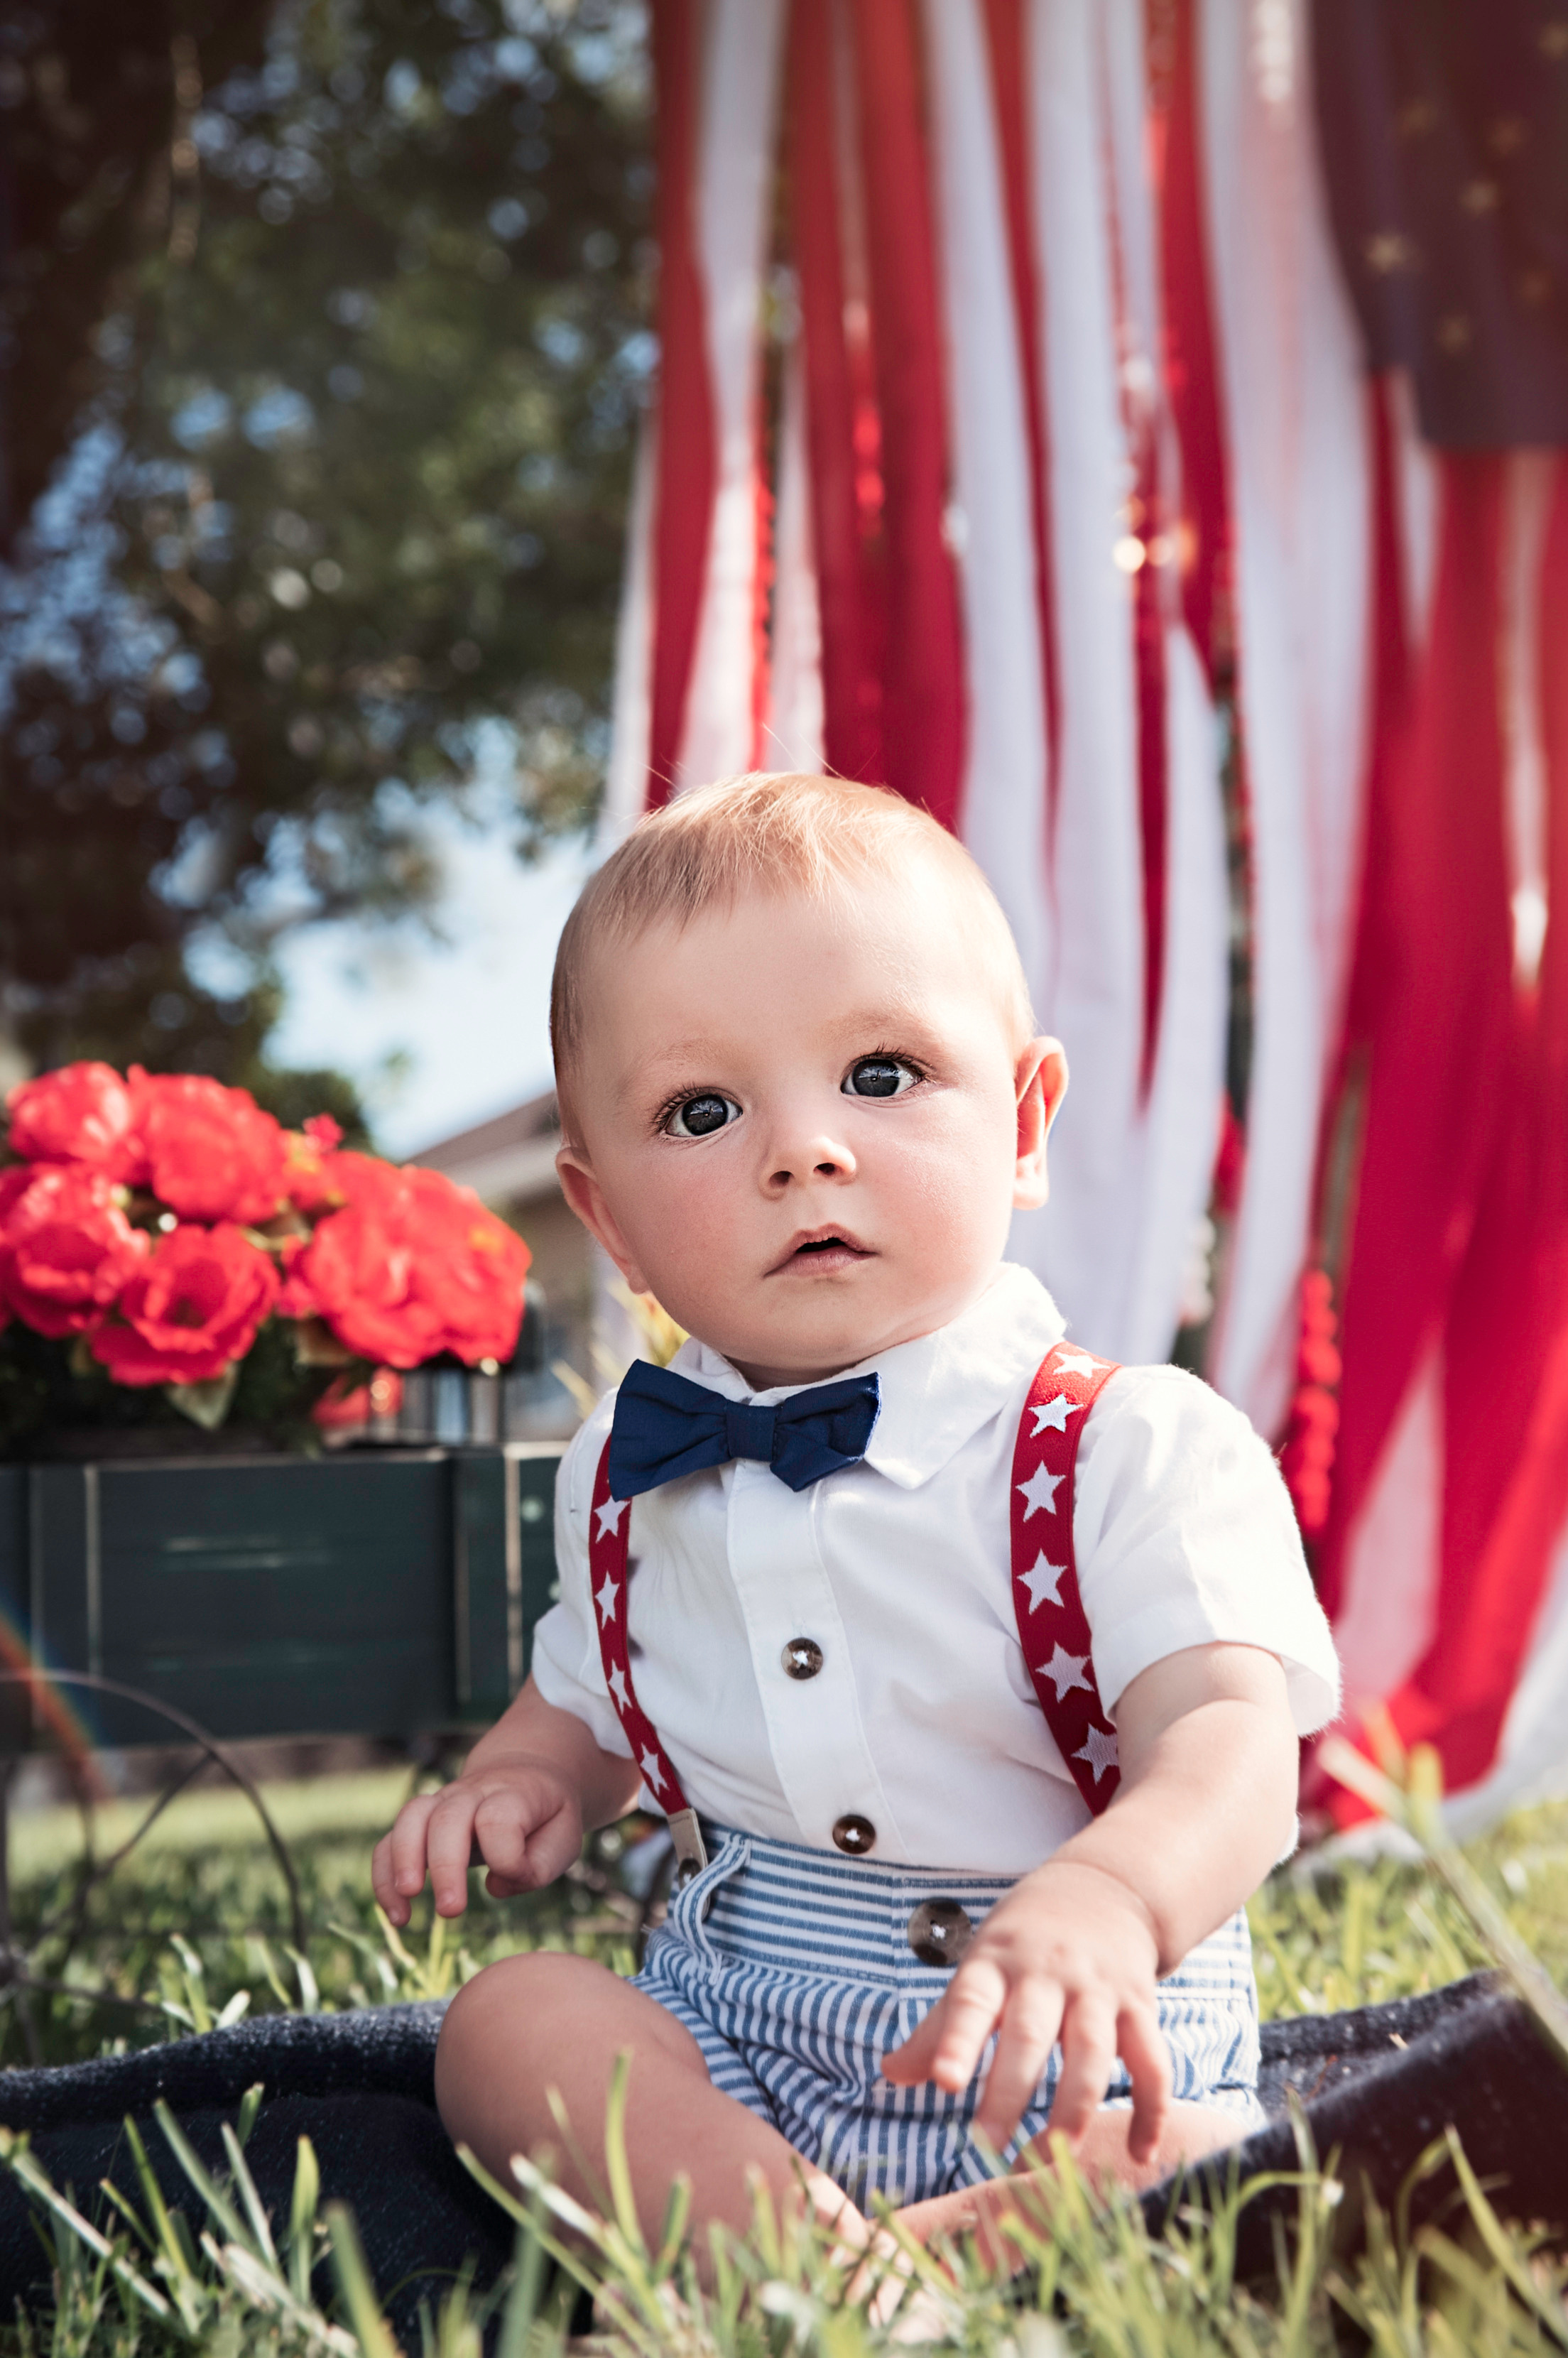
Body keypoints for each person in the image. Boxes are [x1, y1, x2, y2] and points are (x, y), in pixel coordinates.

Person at [372, 772, 1339, 2264]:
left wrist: (1113, 1896)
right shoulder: (625, 1475)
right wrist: (526, 1777)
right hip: (739, 2044)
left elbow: (1232, 1752)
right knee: (507, 2024)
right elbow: (590, 1696)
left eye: (881, 1075)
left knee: (1208, 2164)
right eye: (702, 1110)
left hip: (1056, 2047)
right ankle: (798, 2246)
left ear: (1022, 1123)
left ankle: (890, 2260)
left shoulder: (1126, 1446)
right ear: (608, 1216)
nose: (801, 1150)